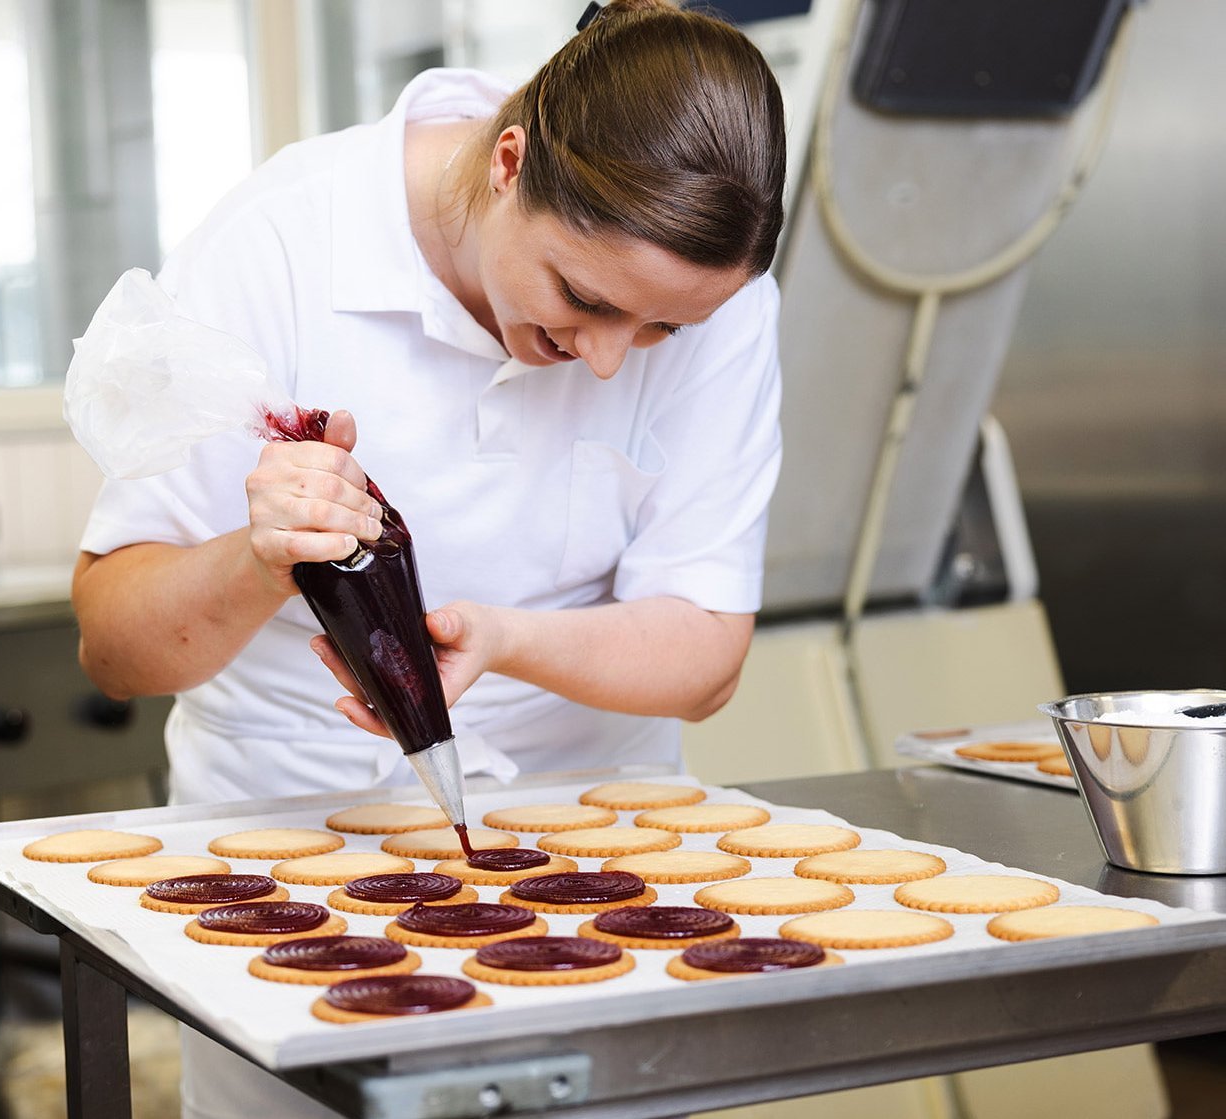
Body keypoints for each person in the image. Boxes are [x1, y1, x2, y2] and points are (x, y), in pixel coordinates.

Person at [71, 1, 785, 1114]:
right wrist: (258, 560)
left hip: (598, 869)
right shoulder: (283, 242)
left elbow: (705, 654)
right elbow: (114, 646)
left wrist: (499, 640)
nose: (608, 362)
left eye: (659, 333)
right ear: (508, 163)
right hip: (292, 868)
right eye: (583, 299)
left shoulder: (717, 298)